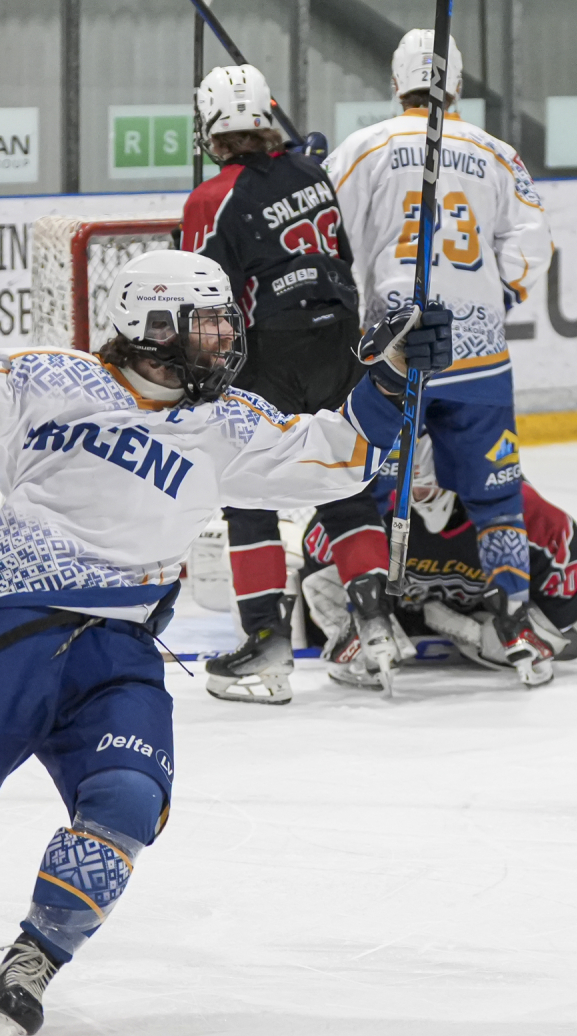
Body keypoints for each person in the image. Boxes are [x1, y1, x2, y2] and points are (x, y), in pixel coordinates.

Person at [0, 186, 449, 1036]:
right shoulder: (50, 378)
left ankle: (32, 961)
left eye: (224, 325)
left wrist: (391, 375)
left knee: (126, 802)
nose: (225, 340)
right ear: (151, 323)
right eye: (207, 325)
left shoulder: (223, 422)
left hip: (120, 651)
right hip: (12, 628)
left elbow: (335, 458)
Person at [323, 28, 556, 686]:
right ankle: (515, 621)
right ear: (455, 83)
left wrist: (357, 315)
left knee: (367, 486)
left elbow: (327, 238)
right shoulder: (496, 152)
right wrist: (491, 299)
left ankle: (372, 624)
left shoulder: (363, 148)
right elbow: (531, 248)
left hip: (394, 352)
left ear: (397, 82)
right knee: (495, 494)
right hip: (479, 353)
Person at [182, 63, 399, 705]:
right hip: (341, 341)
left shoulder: (210, 198)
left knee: (247, 493)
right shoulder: (312, 172)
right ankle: (377, 628)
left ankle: (267, 644)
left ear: (210, 127)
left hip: (272, 352)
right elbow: (340, 258)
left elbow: (203, 296)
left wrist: (199, 378)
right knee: (345, 484)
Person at [301, 438, 577, 687]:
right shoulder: (372, 507)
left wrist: (475, 632)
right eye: (408, 487)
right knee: (322, 588)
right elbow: (319, 568)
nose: (415, 497)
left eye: (425, 486)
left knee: (534, 640)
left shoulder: (521, 510)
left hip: (490, 613)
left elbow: (564, 595)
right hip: (402, 611)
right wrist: (369, 615)